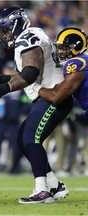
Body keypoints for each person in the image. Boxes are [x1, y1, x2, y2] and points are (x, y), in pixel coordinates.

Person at [0, 7, 72, 204]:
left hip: (52, 97)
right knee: (23, 140)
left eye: (6, 30)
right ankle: (54, 185)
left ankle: (42, 191)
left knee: (30, 139)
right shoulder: (34, 34)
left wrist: (4, 88)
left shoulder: (28, 38)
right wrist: (2, 78)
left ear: (16, 25)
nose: (5, 35)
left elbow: (30, 74)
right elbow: (31, 71)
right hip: (48, 96)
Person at [31, 27, 88, 172]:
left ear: (77, 47)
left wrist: (35, 87)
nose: (61, 52)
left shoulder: (77, 64)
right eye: (60, 48)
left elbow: (56, 96)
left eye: (64, 48)